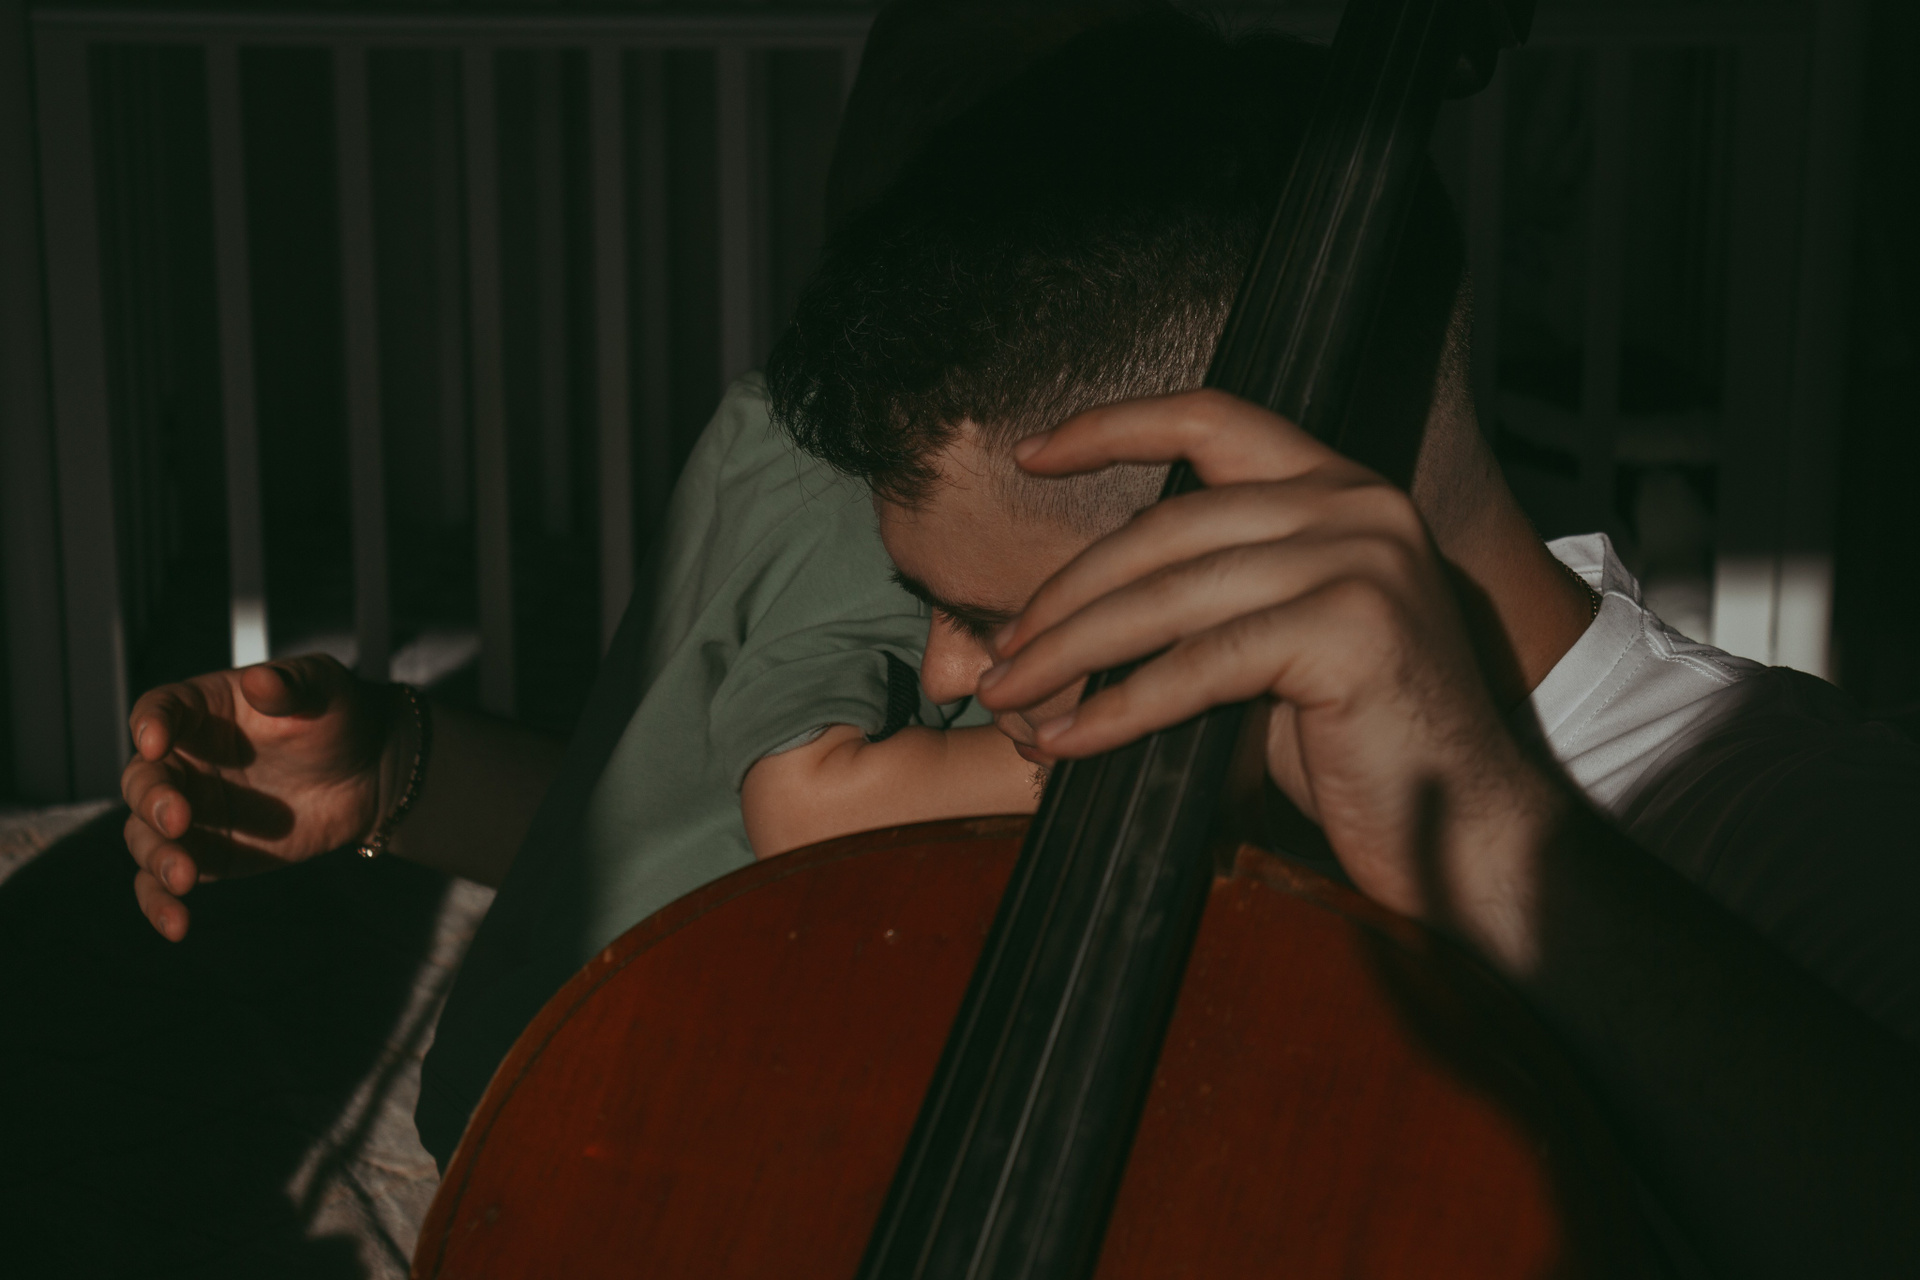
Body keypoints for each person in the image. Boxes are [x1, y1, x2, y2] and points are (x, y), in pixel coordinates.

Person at [117, 3, 1917, 1275]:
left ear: (1268, 523)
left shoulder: (1799, 831)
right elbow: (784, 921)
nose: (948, 677)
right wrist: (400, 778)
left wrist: (1497, 838)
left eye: (989, 616)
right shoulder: (1166, 756)